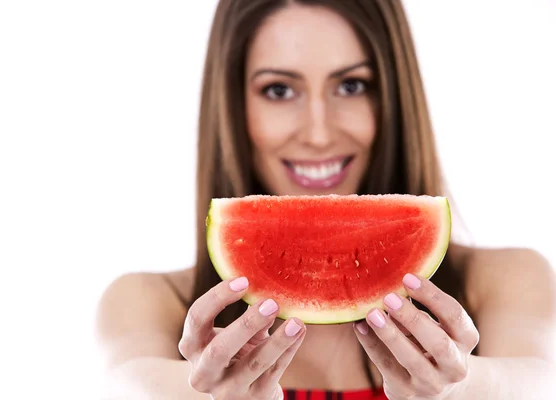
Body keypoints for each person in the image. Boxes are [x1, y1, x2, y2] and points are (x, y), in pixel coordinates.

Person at [96, 1, 556, 399]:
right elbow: (130, 384)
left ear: (393, 98)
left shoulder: (505, 281)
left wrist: (462, 387)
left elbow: (536, 382)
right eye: (279, 90)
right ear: (234, 105)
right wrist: (205, 394)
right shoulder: (148, 302)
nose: (318, 133)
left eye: (351, 85)